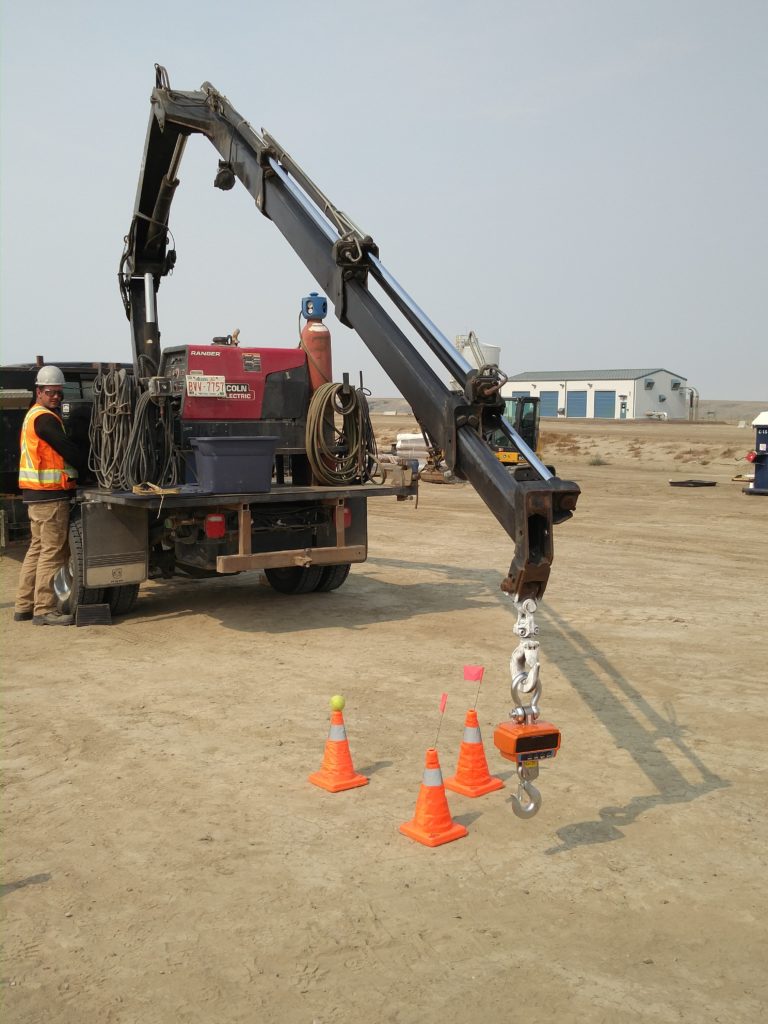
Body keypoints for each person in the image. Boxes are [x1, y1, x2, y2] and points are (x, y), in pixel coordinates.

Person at [14, 366, 86, 626]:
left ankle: (23, 606)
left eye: (58, 392)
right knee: (52, 553)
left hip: (36, 496)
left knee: (37, 550)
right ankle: (44, 609)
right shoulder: (45, 419)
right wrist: (90, 468)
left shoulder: (32, 415)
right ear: (39, 391)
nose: (56, 396)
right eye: (50, 392)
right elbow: (67, 450)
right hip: (50, 496)